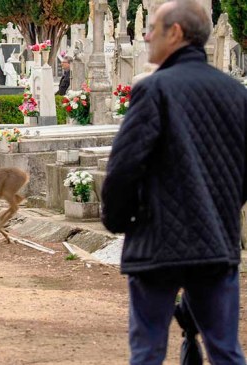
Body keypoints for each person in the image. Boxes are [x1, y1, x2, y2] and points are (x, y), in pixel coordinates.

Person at [101, 1, 247, 364]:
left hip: (157, 243)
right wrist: (224, 208)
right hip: (217, 241)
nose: (147, 36)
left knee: (148, 351)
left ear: (176, 33)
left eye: (153, 28)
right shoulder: (238, 94)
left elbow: (124, 167)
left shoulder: (154, 90)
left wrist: (121, 221)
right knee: (226, 351)